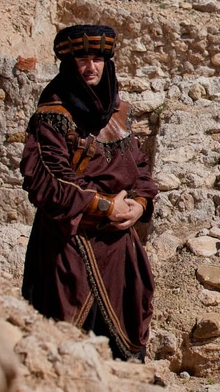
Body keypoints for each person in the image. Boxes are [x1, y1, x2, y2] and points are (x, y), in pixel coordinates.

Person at [20, 25, 157, 361]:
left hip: (119, 250)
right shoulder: (52, 118)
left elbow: (139, 169)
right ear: (69, 64)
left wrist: (138, 206)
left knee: (121, 354)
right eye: (82, 59)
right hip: (68, 248)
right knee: (68, 350)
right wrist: (105, 205)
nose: (91, 67)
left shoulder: (118, 114)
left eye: (97, 58)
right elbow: (49, 181)